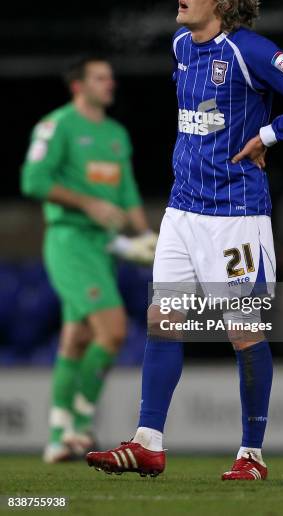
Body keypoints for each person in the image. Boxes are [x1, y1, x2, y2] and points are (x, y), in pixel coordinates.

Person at [86, 0, 283, 480]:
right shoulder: (181, 47)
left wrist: (269, 135)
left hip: (236, 217)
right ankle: (148, 442)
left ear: (220, 0)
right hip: (182, 211)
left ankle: (252, 455)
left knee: (243, 333)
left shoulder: (249, 50)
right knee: (164, 323)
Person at [21, 58, 157, 463]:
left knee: (77, 338)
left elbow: (128, 192)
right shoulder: (56, 125)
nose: (109, 83)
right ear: (77, 86)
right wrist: (88, 203)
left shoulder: (116, 134)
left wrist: (146, 235)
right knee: (113, 330)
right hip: (70, 242)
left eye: (111, 77)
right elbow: (33, 181)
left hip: (104, 247)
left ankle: (61, 435)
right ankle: (80, 424)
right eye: (100, 78)